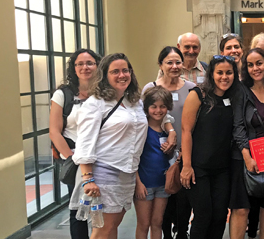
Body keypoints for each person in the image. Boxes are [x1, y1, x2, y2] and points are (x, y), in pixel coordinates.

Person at [70, 53, 150, 238]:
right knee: (102, 229)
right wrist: (88, 178)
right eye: (115, 71)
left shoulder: (134, 102)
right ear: (105, 75)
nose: (122, 75)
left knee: (113, 225)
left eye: (125, 70)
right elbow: (85, 141)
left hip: (127, 173)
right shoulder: (96, 103)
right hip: (104, 172)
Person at [228, 48, 264, 239]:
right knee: (242, 208)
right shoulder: (240, 91)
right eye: (250, 65)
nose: (255, 68)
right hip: (243, 157)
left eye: (259, 63)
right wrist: (247, 156)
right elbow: (237, 127)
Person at [180, 55, 239, 238]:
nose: (224, 77)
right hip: (198, 168)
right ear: (211, 74)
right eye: (219, 73)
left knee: (220, 216)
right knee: (203, 215)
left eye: (229, 73)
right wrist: (187, 166)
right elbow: (186, 131)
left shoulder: (234, 97)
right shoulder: (197, 95)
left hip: (222, 169)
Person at [144, 46, 196, 239]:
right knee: (163, 200)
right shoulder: (150, 88)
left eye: (178, 62)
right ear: (161, 65)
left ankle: (182, 232)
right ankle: (166, 233)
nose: (174, 66)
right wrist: (170, 133)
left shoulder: (192, 88)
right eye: (169, 62)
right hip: (159, 153)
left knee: (183, 199)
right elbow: (146, 118)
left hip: (186, 153)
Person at [50, 49, 101, 239]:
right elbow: (55, 131)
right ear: (74, 68)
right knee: (78, 209)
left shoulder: (105, 93)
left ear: (98, 66)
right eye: (79, 64)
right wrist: (74, 160)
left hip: (101, 158)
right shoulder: (63, 95)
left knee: (104, 208)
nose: (84, 67)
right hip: (75, 159)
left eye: (89, 63)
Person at [134, 86, 174, 239]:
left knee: (158, 222)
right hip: (145, 184)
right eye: (154, 106)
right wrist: (138, 183)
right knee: (143, 224)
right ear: (147, 108)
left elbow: (167, 155)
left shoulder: (166, 129)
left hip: (163, 183)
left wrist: (170, 148)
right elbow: (134, 158)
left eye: (163, 106)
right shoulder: (142, 128)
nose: (158, 110)